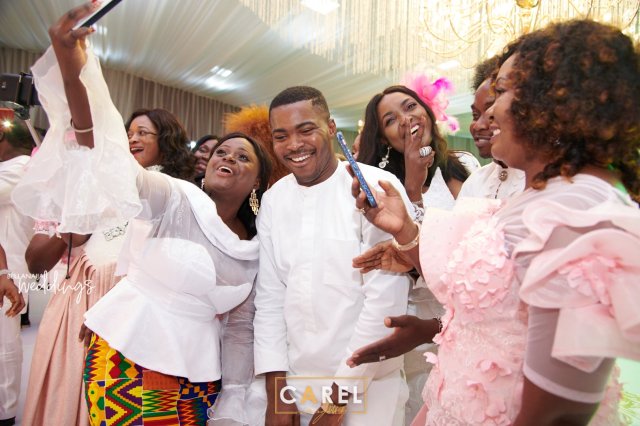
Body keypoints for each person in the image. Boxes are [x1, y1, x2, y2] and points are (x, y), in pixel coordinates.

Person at [348, 19, 640, 425]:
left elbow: (558, 412)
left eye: (500, 92)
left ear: (548, 103)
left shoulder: (574, 213)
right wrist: (406, 229)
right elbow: (482, 293)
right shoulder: (543, 195)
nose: (489, 112)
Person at [13, 4, 272, 425]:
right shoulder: (177, 198)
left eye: (243, 157)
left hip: (201, 378)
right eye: (222, 152)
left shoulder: (257, 245)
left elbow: (241, 331)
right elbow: (110, 158)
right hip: (130, 357)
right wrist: (73, 68)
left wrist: (236, 400)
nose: (227, 158)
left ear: (258, 181)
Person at [21, 103, 194, 425]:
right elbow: (36, 262)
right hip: (83, 300)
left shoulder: (179, 193)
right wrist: (73, 222)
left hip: (141, 305)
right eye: (128, 133)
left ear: (166, 141)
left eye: (143, 133)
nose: (133, 139)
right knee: (73, 389)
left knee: (128, 400)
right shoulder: (95, 186)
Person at [253, 86, 412, 426]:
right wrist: (277, 392)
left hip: (369, 387)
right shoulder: (274, 199)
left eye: (306, 130)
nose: (294, 144)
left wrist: (338, 399)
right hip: (296, 385)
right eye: (281, 136)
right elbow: (269, 298)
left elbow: (385, 302)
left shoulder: (375, 185)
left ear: (331, 127)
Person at [357, 84, 480, 423]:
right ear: (383, 139)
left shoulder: (464, 164)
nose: (406, 119)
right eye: (390, 120)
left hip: (477, 313)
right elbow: (409, 257)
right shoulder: (383, 186)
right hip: (421, 326)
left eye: (410, 107)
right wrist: (412, 185)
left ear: (426, 111)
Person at [0, 118, 33, 426]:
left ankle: (5, 412)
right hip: (6, 265)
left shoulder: (20, 169)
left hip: (9, 269)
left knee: (4, 343)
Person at [458, 57, 525, 200]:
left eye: (492, 110)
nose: (478, 125)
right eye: (475, 115)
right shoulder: (475, 182)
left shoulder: (550, 179)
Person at [126, 108, 196, 180]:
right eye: (129, 135)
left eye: (142, 133)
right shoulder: (124, 176)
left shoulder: (178, 184)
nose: (132, 140)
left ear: (166, 139)